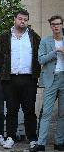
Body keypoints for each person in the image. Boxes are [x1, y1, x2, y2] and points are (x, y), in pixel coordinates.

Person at [0, 9, 41, 149]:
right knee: (12, 110)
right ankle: (11, 137)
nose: (22, 21)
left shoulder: (34, 37)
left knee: (29, 110)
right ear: (15, 19)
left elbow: (40, 55)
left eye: (25, 19)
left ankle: (32, 137)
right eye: (20, 19)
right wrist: (5, 66)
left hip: (29, 79)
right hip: (10, 79)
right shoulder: (5, 37)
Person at [30, 15, 64, 152]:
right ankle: (41, 143)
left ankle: (59, 142)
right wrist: (56, 51)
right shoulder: (45, 41)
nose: (56, 26)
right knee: (46, 113)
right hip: (51, 79)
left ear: (62, 25)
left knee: (62, 113)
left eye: (58, 24)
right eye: (53, 24)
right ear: (50, 26)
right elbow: (41, 60)